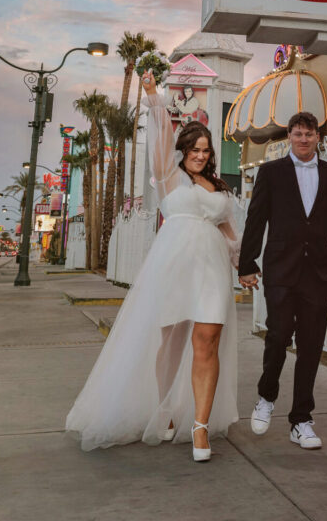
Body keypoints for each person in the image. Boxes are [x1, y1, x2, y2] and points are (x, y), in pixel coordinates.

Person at [66, 71, 240, 461]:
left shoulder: (220, 190)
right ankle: (164, 410)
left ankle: (199, 427)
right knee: (171, 341)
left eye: (206, 150)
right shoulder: (169, 177)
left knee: (207, 340)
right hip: (174, 267)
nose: (201, 155)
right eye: (194, 148)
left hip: (212, 270)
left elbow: (230, 234)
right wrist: (153, 96)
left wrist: (243, 264)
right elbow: (161, 133)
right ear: (182, 151)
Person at [238, 111, 327, 450]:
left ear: (318, 138)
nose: (303, 139)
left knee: (311, 346)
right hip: (281, 271)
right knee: (278, 335)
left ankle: (301, 419)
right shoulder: (270, 173)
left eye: (309, 134)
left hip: (319, 274)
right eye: (298, 133)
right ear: (290, 137)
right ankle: (266, 396)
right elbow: (256, 220)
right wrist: (247, 264)